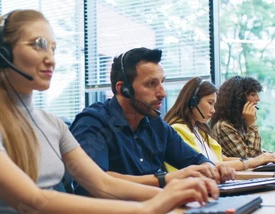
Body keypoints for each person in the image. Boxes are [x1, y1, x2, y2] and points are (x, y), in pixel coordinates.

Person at [0, 10, 219, 214]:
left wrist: (175, 192)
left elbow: (103, 184)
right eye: (39, 45)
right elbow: (34, 203)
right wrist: (148, 208)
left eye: (54, 48)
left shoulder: (52, 123)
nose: (51, 58)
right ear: (3, 54)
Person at [70, 47, 235, 196]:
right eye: (151, 84)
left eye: (162, 82)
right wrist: (165, 179)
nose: (162, 93)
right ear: (123, 89)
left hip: (155, 212)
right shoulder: (93, 123)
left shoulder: (156, 124)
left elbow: (194, 159)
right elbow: (95, 182)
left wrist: (212, 167)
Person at [163, 77, 275, 171]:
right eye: (210, 103)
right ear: (192, 101)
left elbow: (222, 159)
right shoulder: (178, 130)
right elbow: (209, 167)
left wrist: (270, 158)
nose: (213, 110)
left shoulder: (199, 130)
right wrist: (252, 162)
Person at [209, 76, 275, 160]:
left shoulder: (239, 122)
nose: (258, 99)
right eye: (253, 95)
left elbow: (256, 152)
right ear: (238, 99)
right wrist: (252, 125)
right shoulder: (223, 126)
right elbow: (250, 157)